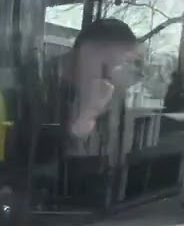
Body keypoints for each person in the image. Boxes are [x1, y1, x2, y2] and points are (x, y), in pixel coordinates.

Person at [60, 17, 141, 154]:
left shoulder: (111, 93)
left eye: (117, 65)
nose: (109, 74)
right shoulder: (38, 84)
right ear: (84, 51)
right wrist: (90, 112)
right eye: (107, 64)